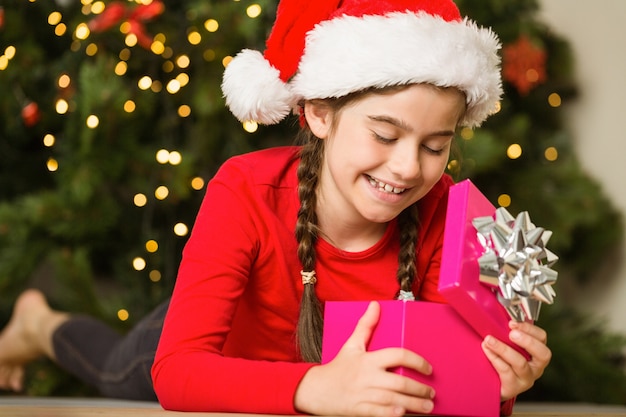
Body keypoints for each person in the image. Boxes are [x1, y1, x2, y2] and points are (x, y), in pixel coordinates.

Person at [0, 0, 552, 416]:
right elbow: (176, 374)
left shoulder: (441, 215)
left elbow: (426, 384)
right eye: (385, 135)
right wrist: (314, 386)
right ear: (317, 114)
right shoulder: (246, 190)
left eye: (435, 146)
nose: (410, 168)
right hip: (217, 348)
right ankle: (36, 323)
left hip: (321, 382)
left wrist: (496, 383)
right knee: (119, 371)